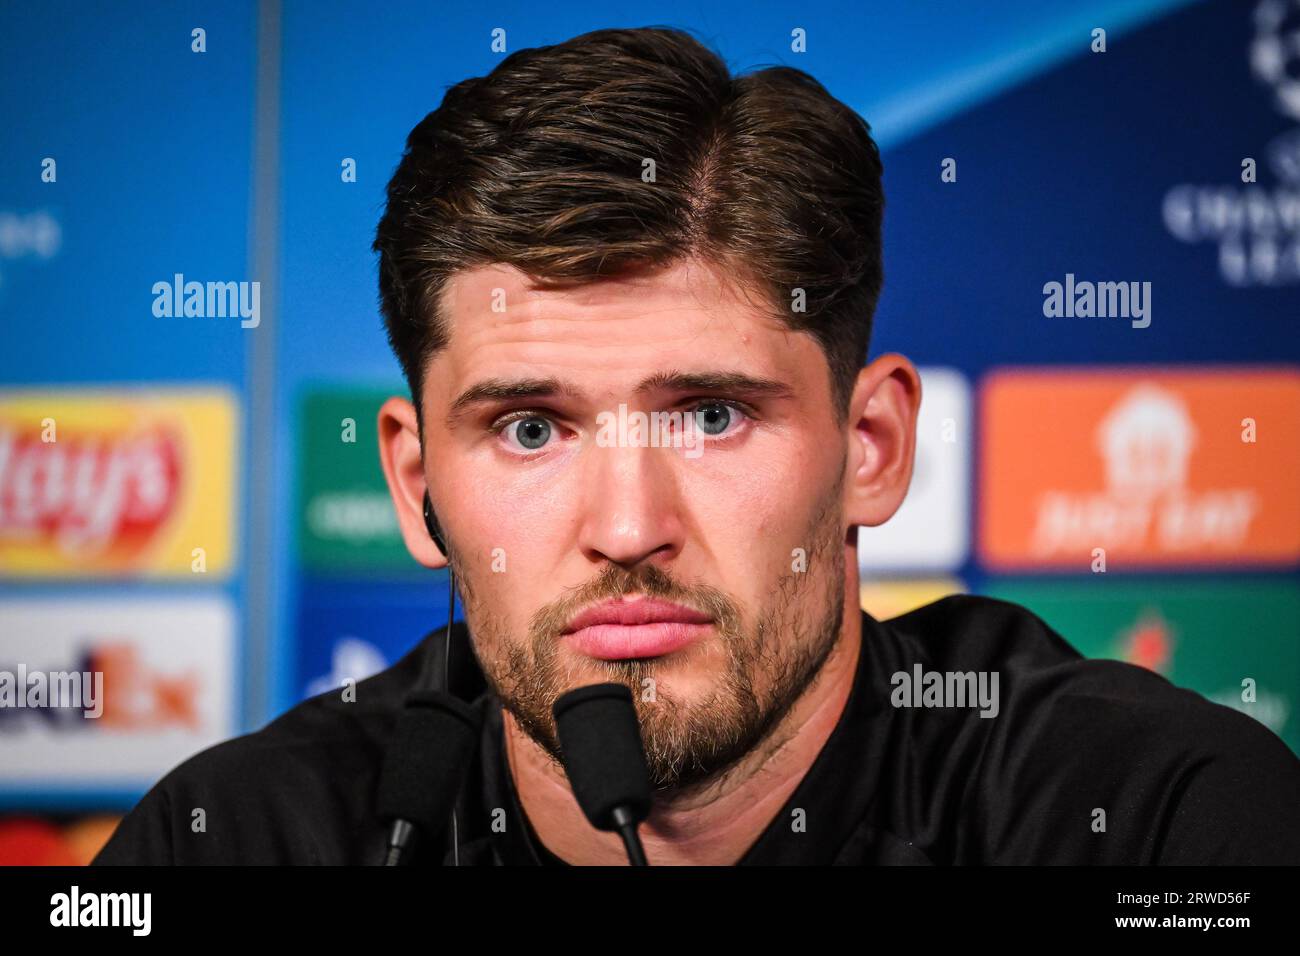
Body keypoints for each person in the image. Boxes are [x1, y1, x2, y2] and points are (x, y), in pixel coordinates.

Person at [94, 26, 1300, 866]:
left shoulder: (1161, 826)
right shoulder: (237, 839)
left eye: (712, 414)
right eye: (529, 427)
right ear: (415, 487)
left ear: (870, 444)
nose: (627, 524)